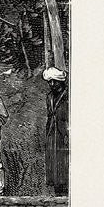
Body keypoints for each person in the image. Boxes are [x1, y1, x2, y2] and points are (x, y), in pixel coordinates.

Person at [43, 67, 69, 196]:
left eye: (55, 81)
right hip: (52, 132)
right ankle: (57, 191)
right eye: (50, 82)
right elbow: (49, 115)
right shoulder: (49, 97)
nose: (52, 84)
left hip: (64, 131)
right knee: (53, 160)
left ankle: (65, 190)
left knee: (64, 159)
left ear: (60, 81)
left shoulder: (68, 95)